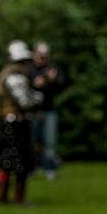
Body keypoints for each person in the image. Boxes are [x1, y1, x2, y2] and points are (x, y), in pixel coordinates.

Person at [0, 40, 43, 204]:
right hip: (16, 124)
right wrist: (38, 97)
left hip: (11, 122)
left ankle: (4, 196)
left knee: (7, 161)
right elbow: (25, 102)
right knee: (18, 161)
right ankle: (16, 197)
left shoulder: (11, 74)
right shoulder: (16, 77)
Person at [31, 41, 65, 180]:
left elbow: (61, 83)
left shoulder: (52, 68)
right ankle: (31, 168)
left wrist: (50, 80)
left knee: (50, 141)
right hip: (32, 111)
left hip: (49, 110)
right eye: (40, 56)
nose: (42, 59)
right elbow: (30, 85)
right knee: (31, 141)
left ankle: (49, 169)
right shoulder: (29, 69)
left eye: (44, 56)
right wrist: (45, 79)